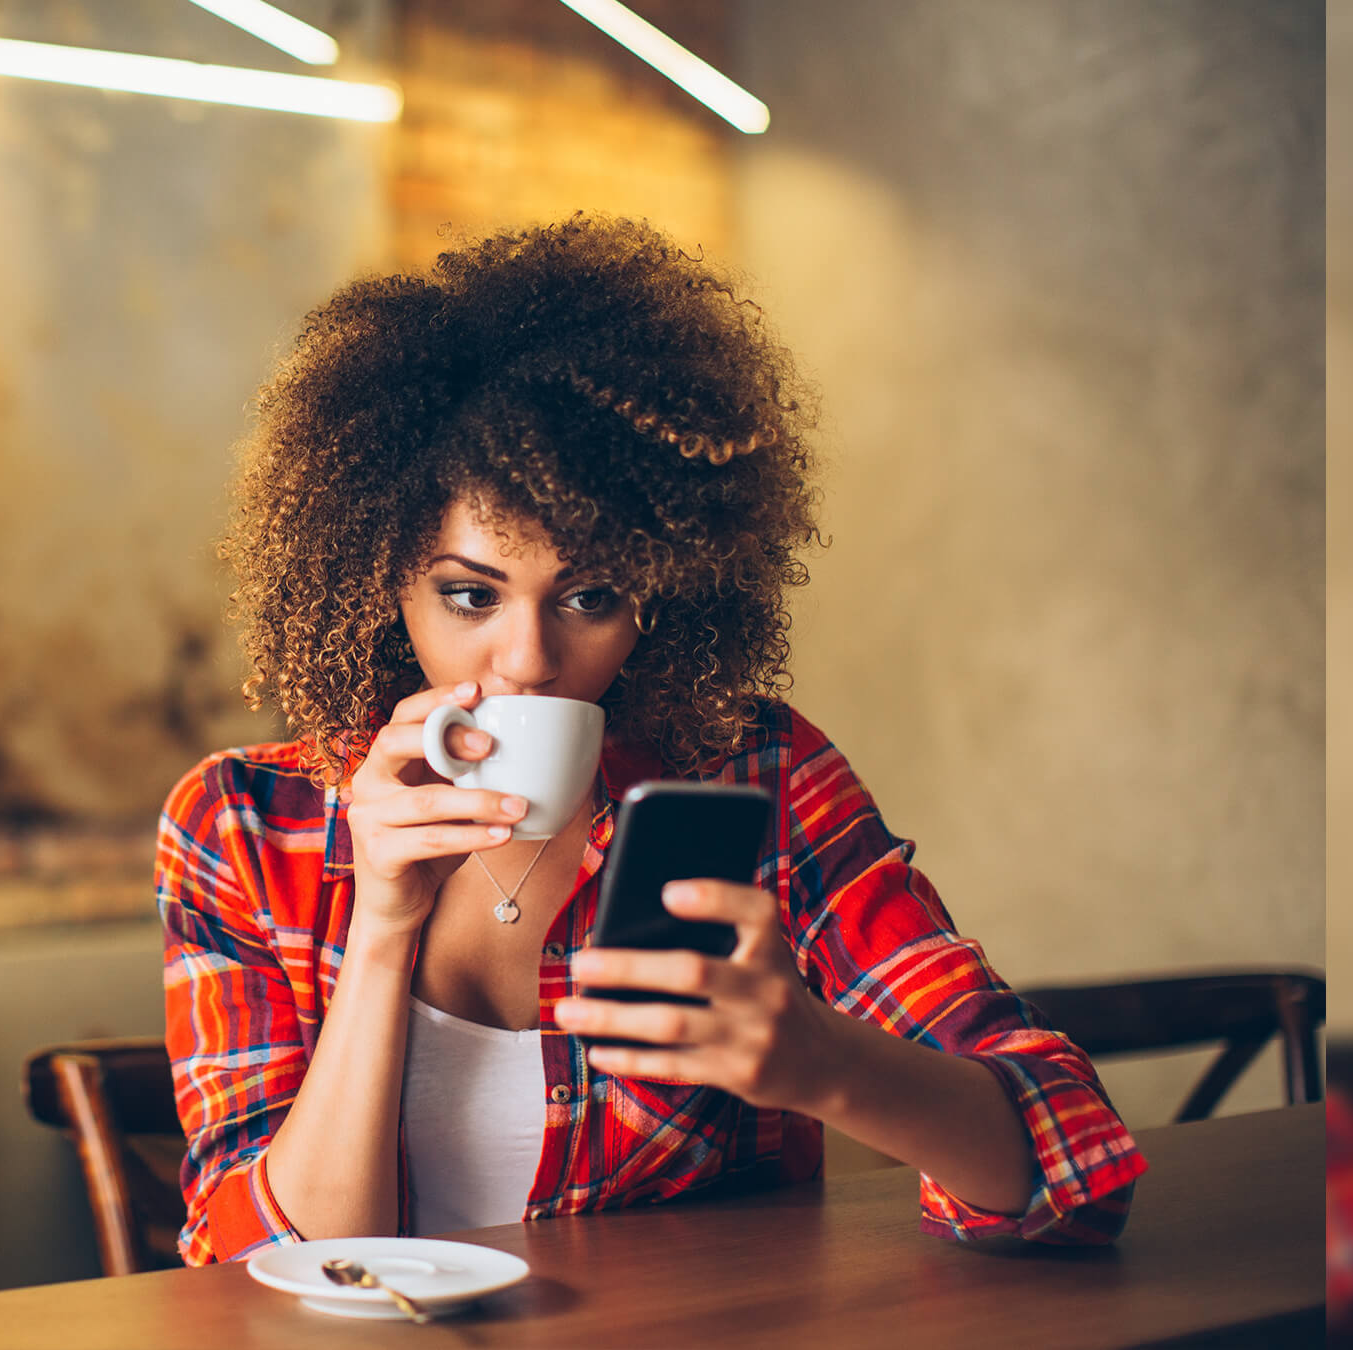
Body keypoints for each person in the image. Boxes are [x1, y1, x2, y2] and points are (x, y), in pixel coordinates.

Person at [157, 214, 1145, 1264]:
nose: (529, 658)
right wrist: (384, 930)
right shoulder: (247, 827)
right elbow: (261, 1268)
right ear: (377, 577)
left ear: (664, 595)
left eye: (588, 595)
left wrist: (819, 1061)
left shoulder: (752, 777)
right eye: (468, 595)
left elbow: (1075, 1170)